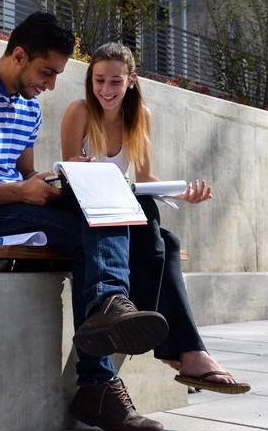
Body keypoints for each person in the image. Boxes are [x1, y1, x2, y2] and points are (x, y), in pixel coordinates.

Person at [0, 12, 170, 431]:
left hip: (15, 204)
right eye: (47, 72)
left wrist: (58, 184)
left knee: (104, 201)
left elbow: (24, 176)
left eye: (57, 74)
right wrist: (22, 192)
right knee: (90, 233)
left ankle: (106, 320)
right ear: (18, 55)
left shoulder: (28, 108)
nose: (51, 85)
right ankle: (100, 374)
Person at [60, 42, 250, 395]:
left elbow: (145, 178)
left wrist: (182, 193)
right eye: (99, 80)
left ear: (131, 80)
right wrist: (80, 167)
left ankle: (177, 346)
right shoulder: (80, 111)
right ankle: (183, 351)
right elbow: (69, 173)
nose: (106, 90)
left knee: (169, 241)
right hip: (87, 207)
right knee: (153, 226)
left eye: (115, 82)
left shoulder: (141, 116)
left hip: (123, 208)